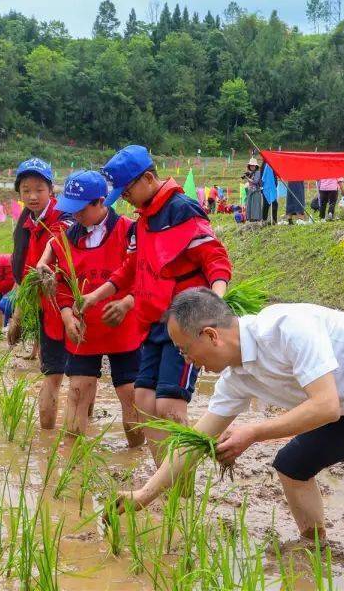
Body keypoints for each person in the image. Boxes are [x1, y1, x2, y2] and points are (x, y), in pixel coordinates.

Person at [118, 289, 344, 591]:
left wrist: (254, 432)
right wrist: (143, 496)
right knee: (293, 466)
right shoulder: (236, 378)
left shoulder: (286, 327)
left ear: (211, 335)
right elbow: (194, 441)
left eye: (185, 350)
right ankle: (315, 548)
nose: (186, 360)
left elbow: (325, 405)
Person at [81, 146, 231, 463]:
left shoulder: (182, 209)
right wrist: (97, 296)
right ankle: (165, 480)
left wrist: (216, 301)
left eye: (127, 191)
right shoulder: (143, 222)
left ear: (148, 178)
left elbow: (215, 257)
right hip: (154, 321)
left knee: (170, 406)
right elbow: (131, 268)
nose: (125, 200)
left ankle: (183, 486)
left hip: (187, 321)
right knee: (144, 401)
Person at [49, 171, 144, 445]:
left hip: (123, 327)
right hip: (83, 329)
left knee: (131, 394)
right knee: (78, 391)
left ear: (100, 201)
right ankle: (71, 463)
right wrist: (67, 316)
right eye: (71, 209)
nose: (74, 215)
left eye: (80, 209)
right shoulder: (66, 239)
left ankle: (135, 457)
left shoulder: (129, 230)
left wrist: (128, 303)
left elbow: (145, 275)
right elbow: (62, 284)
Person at [5, 158, 72, 429]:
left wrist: (18, 317)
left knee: (82, 376)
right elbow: (27, 274)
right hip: (49, 309)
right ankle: (47, 442)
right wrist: (17, 316)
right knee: (54, 372)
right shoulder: (27, 223)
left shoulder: (65, 217)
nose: (32, 196)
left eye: (38, 189)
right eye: (25, 190)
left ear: (51, 189)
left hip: (73, 304)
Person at [243, 158, 264, 222]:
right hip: (250, 191)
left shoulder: (258, 172)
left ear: (256, 166)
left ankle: (256, 219)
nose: (252, 166)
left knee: (255, 205)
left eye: (253, 165)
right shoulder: (252, 173)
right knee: (250, 204)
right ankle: (251, 218)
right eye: (251, 165)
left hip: (256, 191)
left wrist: (247, 178)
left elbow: (255, 181)